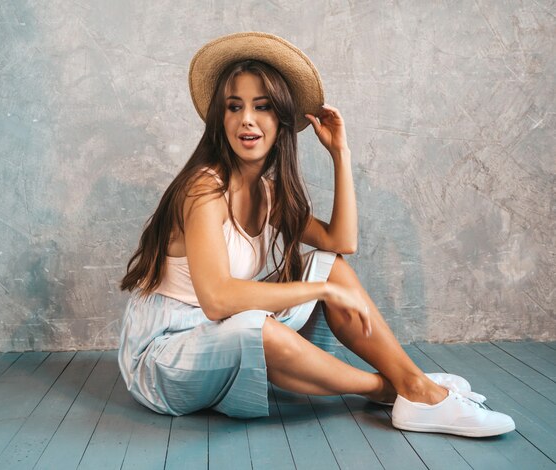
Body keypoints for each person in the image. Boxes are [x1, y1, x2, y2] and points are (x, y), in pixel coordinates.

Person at [118, 32, 515, 437]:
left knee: (328, 267)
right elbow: (218, 300)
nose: (247, 120)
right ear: (221, 119)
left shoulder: (266, 193)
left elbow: (342, 242)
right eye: (233, 107)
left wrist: (340, 154)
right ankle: (404, 387)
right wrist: (319, 293)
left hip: (220, 333)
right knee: (258, 324)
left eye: (263, 107)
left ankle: (412, 385)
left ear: (282, 121)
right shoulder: (204, 188)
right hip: (164, 358)